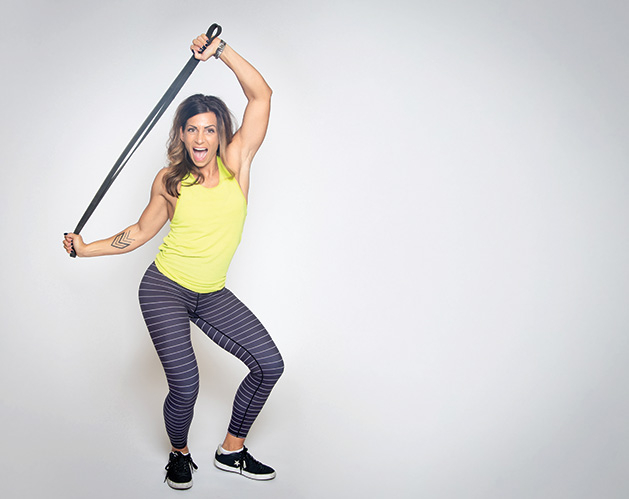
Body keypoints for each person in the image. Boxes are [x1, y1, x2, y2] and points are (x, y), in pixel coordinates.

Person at [63, 32, 283, 490]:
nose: (201, 137)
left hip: (211, 292)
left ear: (221, 132)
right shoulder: (171, 180)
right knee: (186, 386)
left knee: (268, 364)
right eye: (192, 128)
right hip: (164, 287)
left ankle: (232, 450)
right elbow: (141, 233)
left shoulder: (237, 163)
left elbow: (260, 94)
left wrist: (221, 52)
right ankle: (179, 454)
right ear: (182, 134)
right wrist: (86, 249)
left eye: (209, 128)